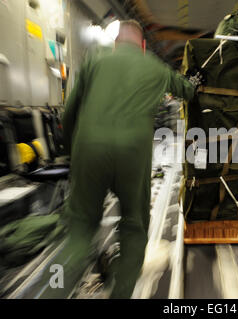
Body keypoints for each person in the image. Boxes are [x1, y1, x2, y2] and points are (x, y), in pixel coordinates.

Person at [39, 20, 198, 299]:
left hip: (89, 151)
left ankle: (52, 292)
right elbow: (188, 90)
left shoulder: (94, 60)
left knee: (78, 233)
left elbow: (70, 112)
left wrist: (70, 153)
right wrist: (196, 80)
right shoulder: (156, 66)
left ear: (115, 42)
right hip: (132, 156)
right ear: (143, 45)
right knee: (134, 228)